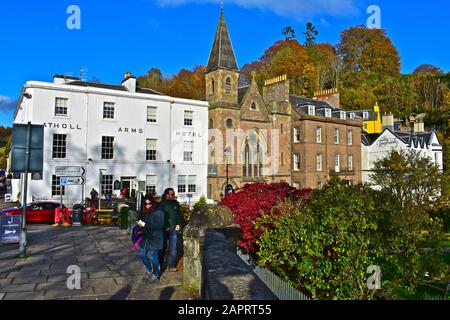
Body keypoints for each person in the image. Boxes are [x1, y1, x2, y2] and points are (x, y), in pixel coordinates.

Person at [137, 195, 165, 282]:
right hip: (146, 237)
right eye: (145, 204)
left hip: (155, 237)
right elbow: (141, 221)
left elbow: (159, 226)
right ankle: (149, 270)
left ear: (153, 203)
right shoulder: (145, 211)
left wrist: (144, 225)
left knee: (153, 257)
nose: (147, 205)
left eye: (149, 204)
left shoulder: (159, 212)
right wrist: (140, 226)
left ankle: (156, 274)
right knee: (142, 254)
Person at [159, 188, 182, 272]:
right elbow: (160, 216)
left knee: (173, 248)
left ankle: (171, 265)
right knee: (162, 247)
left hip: (174, 228)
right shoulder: (162, 204)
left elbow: (179, 215)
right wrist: (165, 226)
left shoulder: (176, 203)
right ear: (167, 195)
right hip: (164, 229)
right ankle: (160, 264)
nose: (173, 196)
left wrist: (179, 224)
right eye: (172, 194)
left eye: (174, 194)